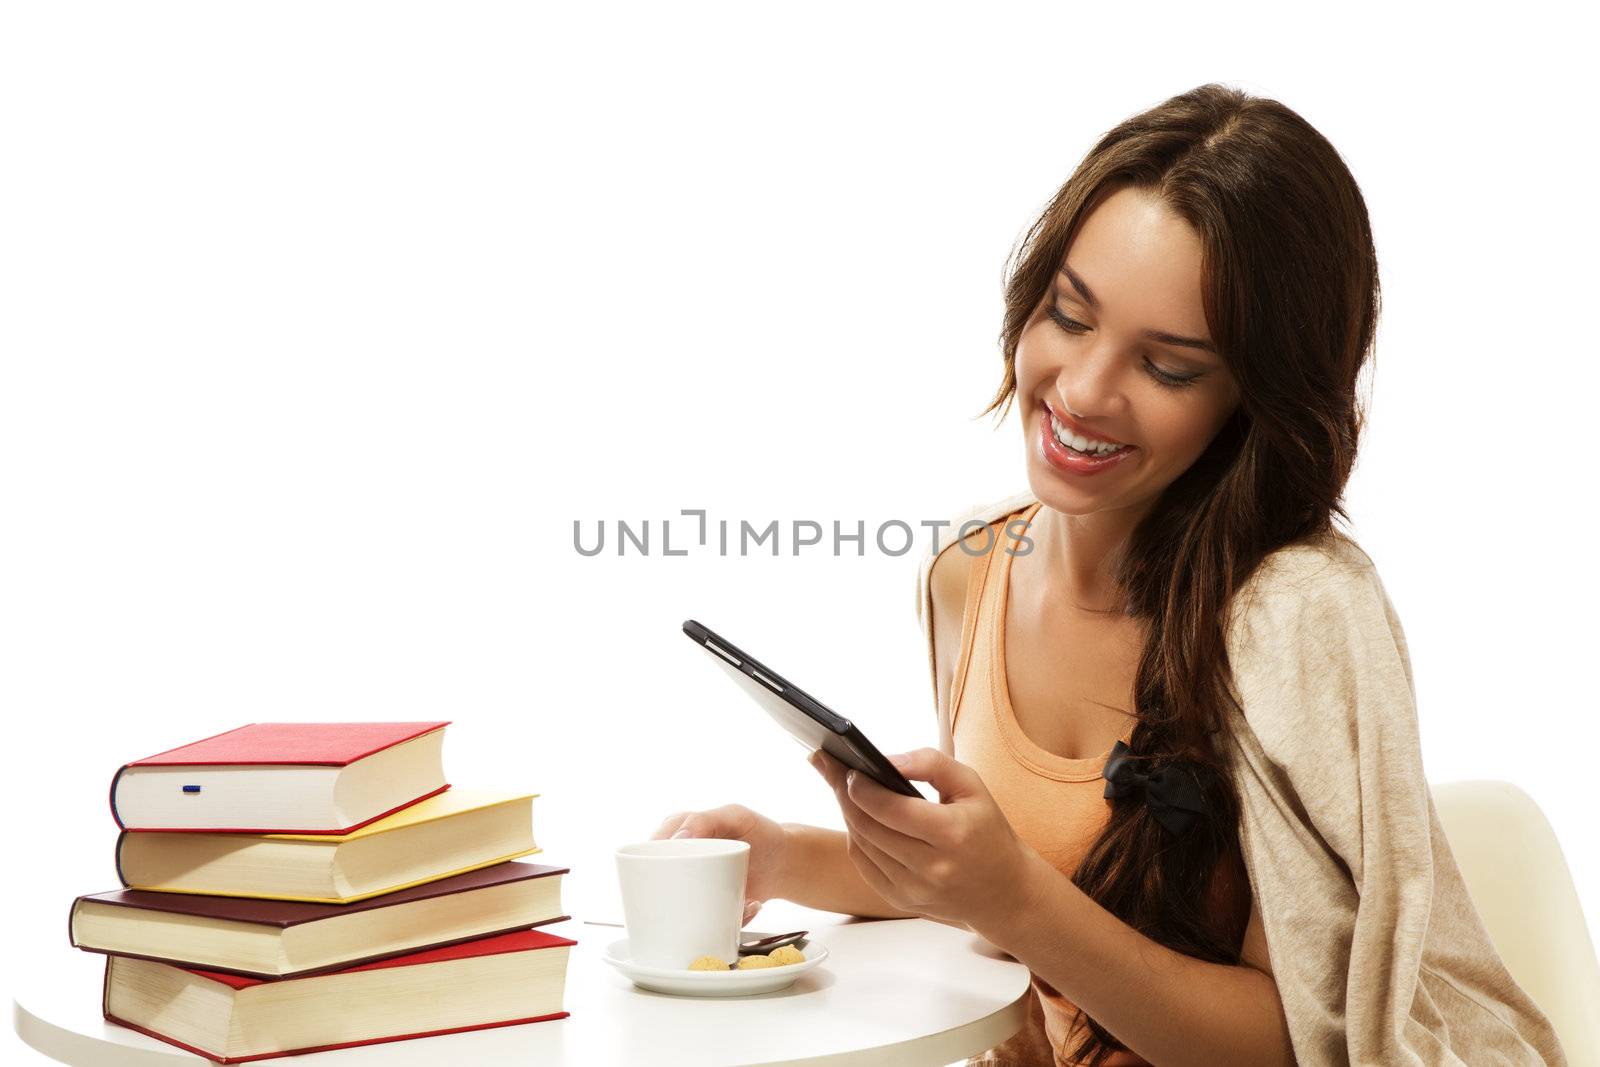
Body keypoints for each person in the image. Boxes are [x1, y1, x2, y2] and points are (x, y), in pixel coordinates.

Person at [651, 83, 1568, 1067]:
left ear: (1253, 401)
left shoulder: (1295, 618)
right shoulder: (971, 568)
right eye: (1069, 314)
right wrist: (782, 856)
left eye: (1168, 367)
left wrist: (1018, 903)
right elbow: (1009, 866)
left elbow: (1307, 1037)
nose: (1083, 390)